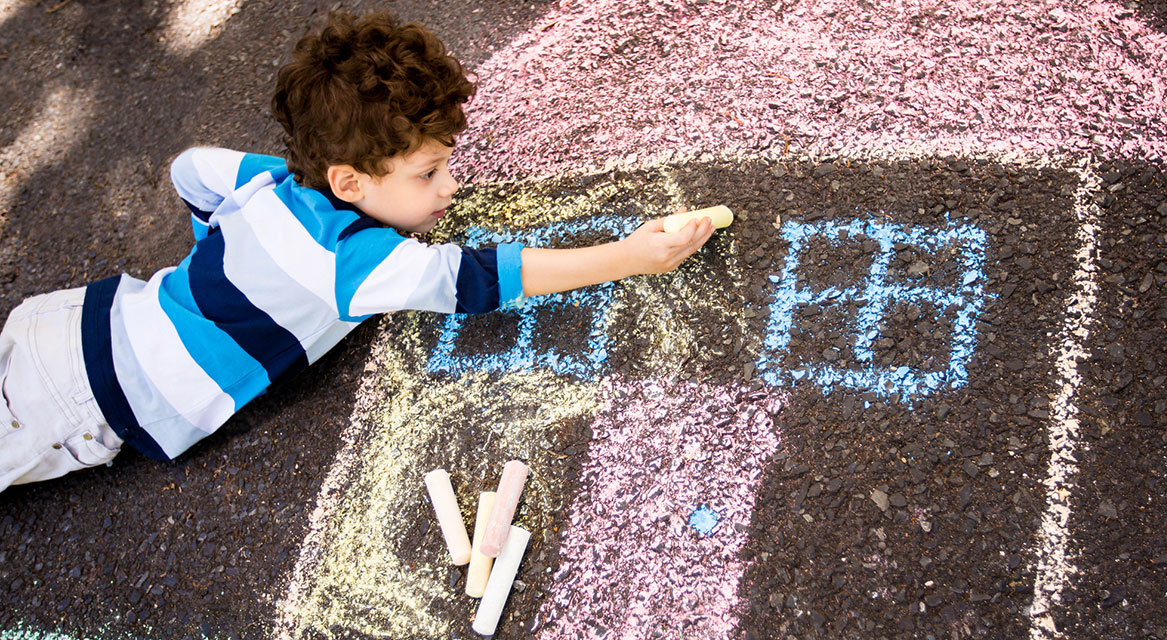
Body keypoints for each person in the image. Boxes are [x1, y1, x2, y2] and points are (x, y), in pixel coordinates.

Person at [0, 11, 715, 492]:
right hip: (77, 398)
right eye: (427, 174)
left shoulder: (272, 181)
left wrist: (214, 256)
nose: (450, 188)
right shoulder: (351, 262)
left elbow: (191, 169)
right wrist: (630, 257)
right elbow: (477, 281)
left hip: (73, 323)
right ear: (348, 180)